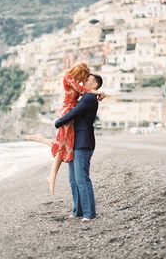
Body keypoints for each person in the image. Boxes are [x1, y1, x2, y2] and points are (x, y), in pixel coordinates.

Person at [26, 63, 105, 195]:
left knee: (65, 143)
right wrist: (99, 92)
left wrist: (97, 93)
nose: (83, 80)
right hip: (67, 110)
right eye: (84, 77)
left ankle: (39, 140)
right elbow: (82, 90)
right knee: (63, 144)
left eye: (86, 79)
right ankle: (52, 176)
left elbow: (83, 92)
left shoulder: (75, 81)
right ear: (79, 72)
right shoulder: (68, 78)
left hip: (71, 109)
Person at [54, 73, 103, 222]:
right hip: (74, 143)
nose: (83, 81)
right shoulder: (86, 97)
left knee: (82, 178)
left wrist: (58, 122)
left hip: (83, 142)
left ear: (94, 85)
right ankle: (77, 211)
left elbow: (74, 113)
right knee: (73, 180)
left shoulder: (88, 98)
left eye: (87, 80)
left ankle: (89, 213)